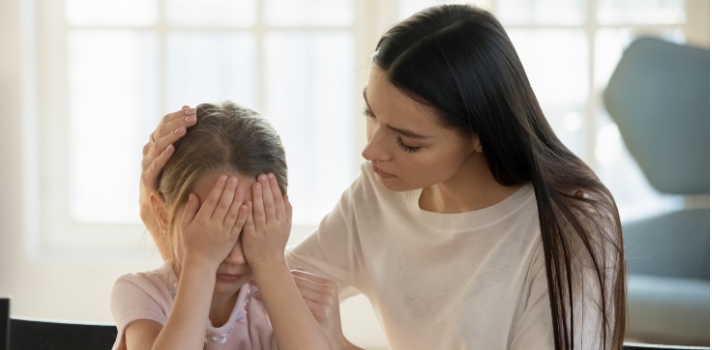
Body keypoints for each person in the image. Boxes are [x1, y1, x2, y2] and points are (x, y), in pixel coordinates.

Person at [139, 4, 626, 349]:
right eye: (371, 115)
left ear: (480, 135)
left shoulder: (572, 225)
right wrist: (158, 213)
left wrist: (338, 346)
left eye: (407, 141)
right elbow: (249, 296)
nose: (371, 151)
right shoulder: (380, 193)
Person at [112, 101, 332, 350]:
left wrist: (270, 262)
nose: (236, 257)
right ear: (163, 216)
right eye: (215, 230)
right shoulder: (142, 293)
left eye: (251, 230)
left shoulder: (273, 298)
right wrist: (201, 262)